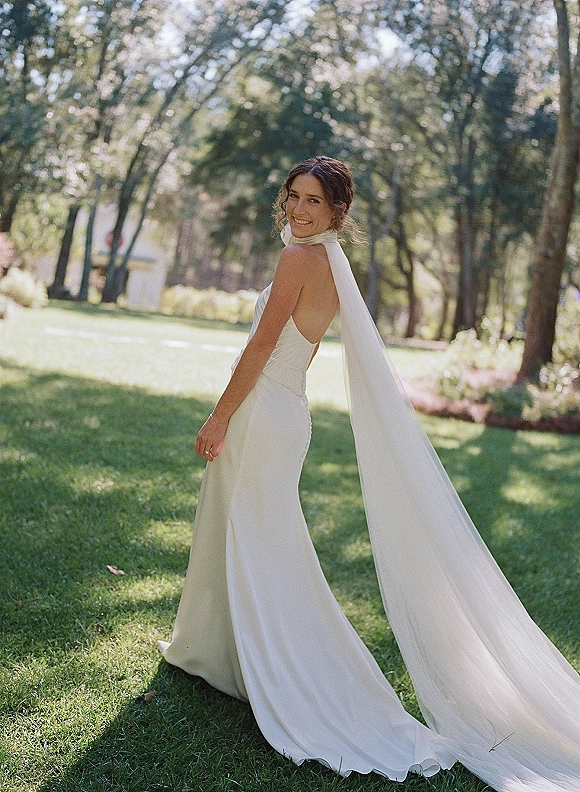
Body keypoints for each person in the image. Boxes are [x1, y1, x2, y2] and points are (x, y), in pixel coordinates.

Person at [159, 157, 580, 791]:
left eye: (313, 202)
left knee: (259, 543)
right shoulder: (330, 264)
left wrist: (219, 418)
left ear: (337, 213)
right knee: (259, 541)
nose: (298, 210)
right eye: (292, 196)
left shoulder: (300, 260)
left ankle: (285, 675)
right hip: (287, 414)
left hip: (260, 414)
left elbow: (261, 345)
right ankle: (223, 654)